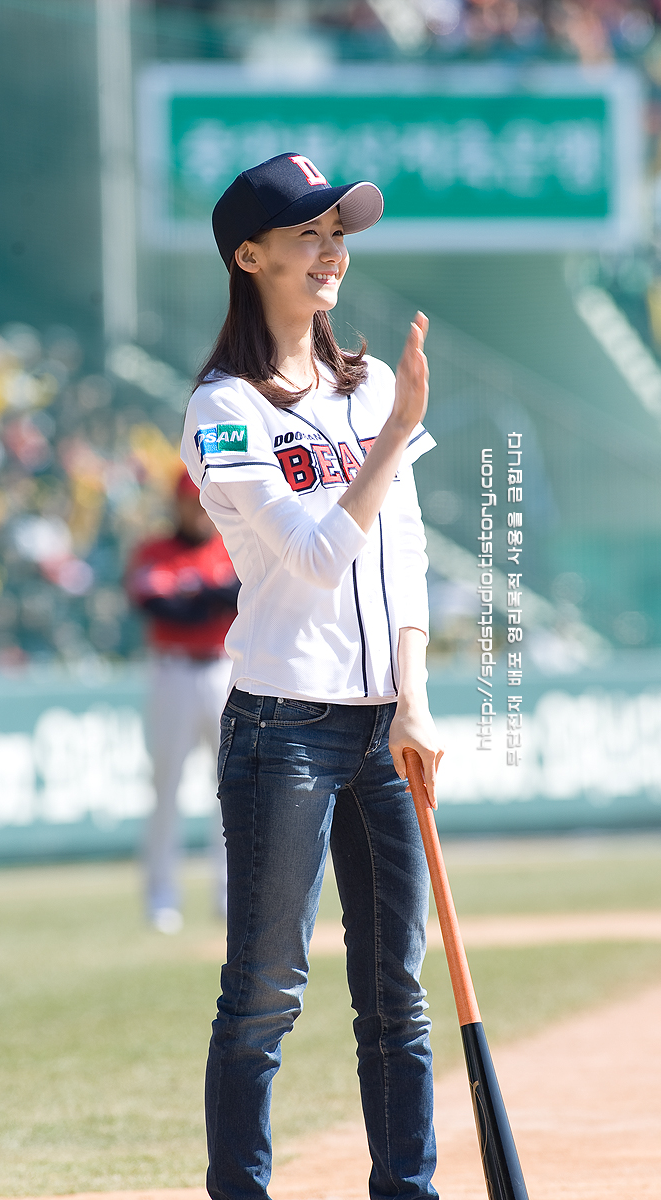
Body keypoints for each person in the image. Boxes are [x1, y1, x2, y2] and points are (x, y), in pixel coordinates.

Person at [180, 152, 444, 1200]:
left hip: (384, 727)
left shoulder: (370, 384)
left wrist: (416, 701)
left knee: (397, 998)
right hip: (282, 726)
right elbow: (316, 558)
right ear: (249, 257)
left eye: (338, 233)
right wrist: (393, 436)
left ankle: (407, 1189)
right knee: (264, 996)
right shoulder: (222, 407)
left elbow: (403, 551)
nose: (331, 251)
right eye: (307, 234)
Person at [126, 470, 239, 931]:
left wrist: (200, 595)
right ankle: (161, 897)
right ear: (177, 505)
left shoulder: (230, 545)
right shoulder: (155, 551)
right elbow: (163, 608)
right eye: (192, 503)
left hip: (224, 669)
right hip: (172, 670)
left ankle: (230, 896)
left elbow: (242, 596)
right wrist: (213, 597)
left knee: (232, 788)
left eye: (205, 503)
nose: (200, 512)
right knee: (166, 788)